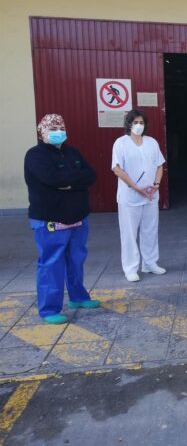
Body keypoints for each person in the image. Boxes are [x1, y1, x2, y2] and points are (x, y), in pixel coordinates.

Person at [24, 114, 100, 324]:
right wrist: (74, 181)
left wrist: (68, 183)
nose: (58, 132)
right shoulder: (35, 155)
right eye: (53, 128)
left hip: (78, 218)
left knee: (76, 260)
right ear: (42, 131)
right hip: (50, 220)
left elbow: (91, 175)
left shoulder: (72, 152)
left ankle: (78, 297)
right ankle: (49, 309)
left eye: (61, 127)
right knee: (52, 263)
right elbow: (52, 178)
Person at [111, 109, 166, 282]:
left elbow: (159, 165)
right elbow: (117, 168)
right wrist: (136, 187)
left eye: (141, 123)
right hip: (130, 196)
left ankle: (149, 263)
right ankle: (130, 267)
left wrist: (156, 185)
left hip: (150, 195)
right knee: (129, 232)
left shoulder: (151, 142)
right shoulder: (121, 143)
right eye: (135, 122)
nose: (139, 125)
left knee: (150, 230)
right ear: (128, 124)